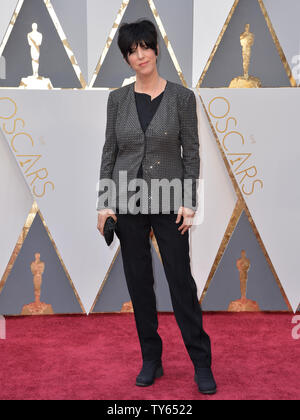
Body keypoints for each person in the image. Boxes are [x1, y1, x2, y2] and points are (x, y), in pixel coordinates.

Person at [96, 19, 217, 395]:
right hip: (127, 200)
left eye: (145, 47)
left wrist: (188, 202)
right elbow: (109, 152)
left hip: (169, 201)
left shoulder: (182, 97)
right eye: (132, 51)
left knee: (181, 282)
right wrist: (105, 205)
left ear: (156, 49)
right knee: (139, 284)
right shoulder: (117, 99)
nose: (140, 55)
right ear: (126, 58)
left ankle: (201, 363)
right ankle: (151, 359)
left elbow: (192, 152)